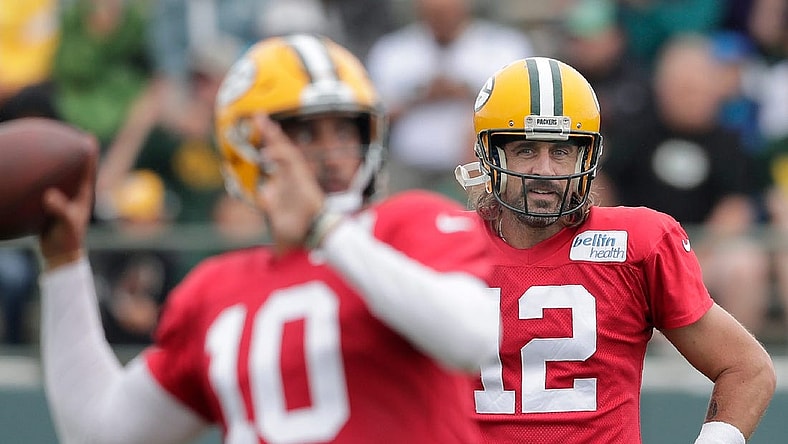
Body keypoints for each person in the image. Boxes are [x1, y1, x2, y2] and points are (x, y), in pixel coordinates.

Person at [35, 34, 499, 443]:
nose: (332, 153)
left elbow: (472, 337)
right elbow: (100, 433)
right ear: (246, 149)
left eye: (344, 128)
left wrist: (324, 229)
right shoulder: (212, 291)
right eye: (304, 133)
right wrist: (64, 261)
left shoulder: (407, 223)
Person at [454, 56, 775, 443]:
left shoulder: (637, 242)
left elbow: (747, 368)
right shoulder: (443, 246)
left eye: (561, 151)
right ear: (490, 157)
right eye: (526, 150)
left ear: (586, 157)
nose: (545, 169)